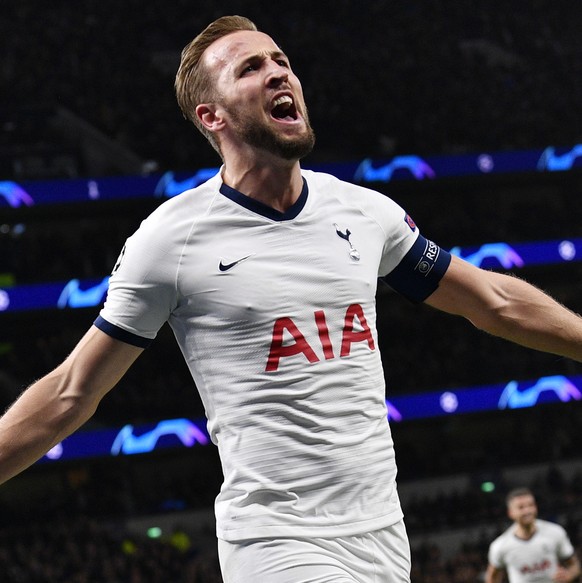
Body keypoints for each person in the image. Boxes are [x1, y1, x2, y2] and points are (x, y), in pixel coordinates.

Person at [2, 15, 582, 583]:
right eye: (251, 68)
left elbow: (493, 301)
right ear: (213, 115)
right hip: (275, 543)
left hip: (383, 536)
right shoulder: (169, 241)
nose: (280, 73)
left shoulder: (364, 212)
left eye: (281, 61)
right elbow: (71, 391)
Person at [486, 488, 581, 583]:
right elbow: (493, 577)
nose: (527, 511)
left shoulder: (555, 532)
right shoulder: (500, 545)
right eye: (521, 507)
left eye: (530, 505)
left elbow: (574, 566)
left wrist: (568, 575)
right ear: (510, 513)